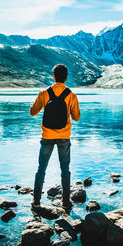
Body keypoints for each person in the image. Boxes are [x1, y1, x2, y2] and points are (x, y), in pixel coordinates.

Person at [29, 64, 80, 210]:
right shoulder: (71, 95)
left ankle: (36, 201)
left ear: (53, 77)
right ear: (65, 78)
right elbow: (76, 117)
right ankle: (65, 202)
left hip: (47, 136)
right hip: (64, 136)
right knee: (65, 169)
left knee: (41, 168)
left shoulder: (44, 93)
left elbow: (33, 112)